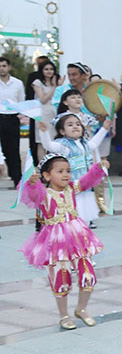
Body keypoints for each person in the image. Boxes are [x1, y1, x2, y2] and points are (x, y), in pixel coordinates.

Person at [19, 154, 109, 330]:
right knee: (61, 277)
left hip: (77, 237)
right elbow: (32, 194)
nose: (66, 175)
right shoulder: (44, 193)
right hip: (55, 241)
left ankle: (81, 309)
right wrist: (31, 183)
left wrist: (98, 168)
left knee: (88, 275)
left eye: (68, 171)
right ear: (46, 176)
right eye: (60, 171)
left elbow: (87, 181)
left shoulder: (71, 188)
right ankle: (64, 315)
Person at [38, 113, 112, 229]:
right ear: (62, 131)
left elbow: (94, 144)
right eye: (70, 125)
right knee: (72, 220)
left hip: (85, 188)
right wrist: (44, 132)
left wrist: (104, 128)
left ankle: (84, 242)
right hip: (71, 188)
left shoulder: (84, 143)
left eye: (78, 124)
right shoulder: (64, 145)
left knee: (85, 219)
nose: (75, 127)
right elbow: (49, 146)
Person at [0, 56, 26, 187]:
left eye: (4, 66)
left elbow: (21, 101)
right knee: (1, 149)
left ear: (8, 67)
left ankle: (17, 179)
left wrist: (21, 116)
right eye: (0, 66)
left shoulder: (18, 83)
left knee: (13, 149)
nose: (2, 69)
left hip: (12, 118)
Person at [30, 58, 60, 161]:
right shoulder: (37, 82)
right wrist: (54, 87)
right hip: (43, 114)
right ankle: (41, 166)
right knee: (42, 142)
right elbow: (43, 99)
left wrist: (57, 85)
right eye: (46, 69)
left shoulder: (56, 82)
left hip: (54, 114)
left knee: (54, 141)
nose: (49, 71)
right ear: (42, 70)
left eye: (51, 69)